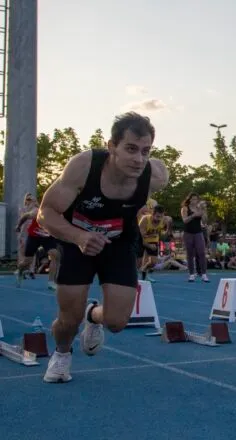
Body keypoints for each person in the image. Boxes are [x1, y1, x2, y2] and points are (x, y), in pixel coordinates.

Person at [37, 112, 169, 383]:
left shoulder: (155, 176)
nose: (138, 159)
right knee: (68, 321)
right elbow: (45, 213)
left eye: (145, 151)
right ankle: (62, 354)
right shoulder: (84, 166)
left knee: (117, 323)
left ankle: (92, 315)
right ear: (111, 147)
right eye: (130, 149)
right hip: (77, 242)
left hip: (118, 242)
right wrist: (79, 237)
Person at [181, 192, 209, 282]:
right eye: (192, 199)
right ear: (189, 200)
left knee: (201, 252)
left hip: (198, 232)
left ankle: (204, 274)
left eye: (196, 199)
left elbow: (204, 222)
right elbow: (185, 220)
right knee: (190, 254)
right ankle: (191, 274)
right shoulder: (185, 208)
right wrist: (193, 215)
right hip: (188, 233)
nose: (194, 201)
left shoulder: (199, 208)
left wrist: (204, 211)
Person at [138, 204, 168, 281]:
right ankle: (135, 279)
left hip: (153, 240)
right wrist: (149, 245)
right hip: (141, 240)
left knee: (153, 262)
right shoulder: (145, 220)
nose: (159, 219)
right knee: (138, 262)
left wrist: (165, 232)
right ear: (152, 214)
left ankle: (144, 270)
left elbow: (164, 232)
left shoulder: (164, 220)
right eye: (157, 216)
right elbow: (140, 238)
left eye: (161, 217)